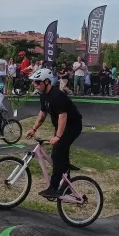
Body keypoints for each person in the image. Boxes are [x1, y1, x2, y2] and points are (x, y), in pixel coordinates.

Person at [25, 68, 82, 200]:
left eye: (37, 82)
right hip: (62, 127)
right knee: (60, 155)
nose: (35, 84)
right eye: (34, 82)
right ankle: (66, 184)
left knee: (57, 152)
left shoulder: (57, 96)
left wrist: (57, 136)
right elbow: (43, 113)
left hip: (73, 126)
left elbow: (63, 116)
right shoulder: (43, 95)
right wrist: (34, 129)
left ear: (46, 81)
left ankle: (54, 188)